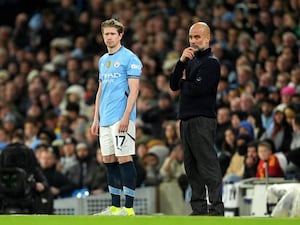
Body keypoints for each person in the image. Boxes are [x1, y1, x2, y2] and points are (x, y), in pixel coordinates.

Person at [169, 22, 224, 216]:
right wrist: (181, 63)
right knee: (191, 167)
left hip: (202, 119)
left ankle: (216, 208)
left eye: (197, 37)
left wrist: (185, 82)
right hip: (186, 120)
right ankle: (199, 208)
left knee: (208, 164)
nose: (193, 41)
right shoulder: (190, 60)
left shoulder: (211, 62)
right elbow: (173, 85)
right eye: (191, 37)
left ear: (207, 38)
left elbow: (197, 90)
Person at [90, 18, 142, 216]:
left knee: (124, 159)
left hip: (122, 118)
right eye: (106, 34)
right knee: (109, 160)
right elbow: (100, 91)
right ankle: (114, 207)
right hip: (105, 119)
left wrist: (126, 117)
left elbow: (134, 90)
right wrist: (96, 118)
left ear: (120, 35)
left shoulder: (130, 58)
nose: (109, 37)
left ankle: (128, 209)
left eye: (113, 34)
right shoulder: (103, 60)